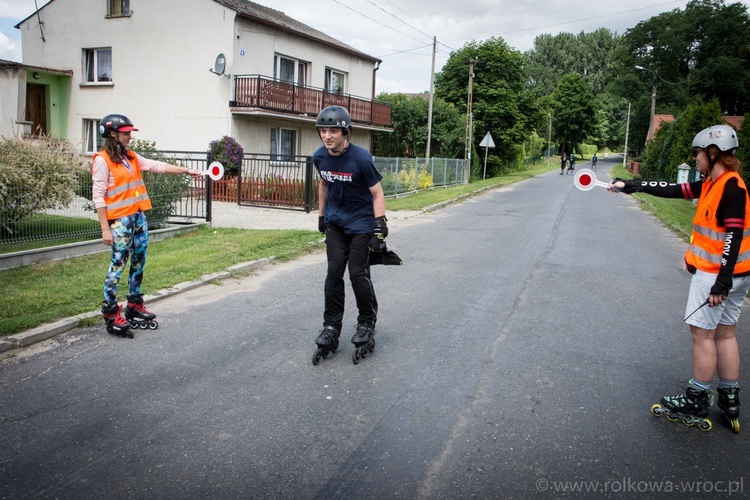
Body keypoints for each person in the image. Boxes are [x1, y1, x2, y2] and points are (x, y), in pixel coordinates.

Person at [610, 125, 746, 432]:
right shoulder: (715, 182)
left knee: (703, 335)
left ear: (713, 154)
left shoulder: (730, 188)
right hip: (734, 276)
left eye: (698, 153)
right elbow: (674, 189)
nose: (696, 159)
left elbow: (733, 236)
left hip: (717, 277)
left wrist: (721, 280)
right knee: (725, 335)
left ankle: (697, 398)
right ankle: (729, 398)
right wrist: (633, 185)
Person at [92, 114, 203, 337]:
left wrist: (187, 171)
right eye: (126, 133)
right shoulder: (102, 160)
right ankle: (111, 313)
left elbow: (156, 165)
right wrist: (105, 228)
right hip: (120, 222)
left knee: (139, 261)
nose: (130, 137)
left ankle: (134, 305)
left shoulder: (131, 157)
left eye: (130, 133)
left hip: (138, 218)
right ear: (112, 133)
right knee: (118, 265)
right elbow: (98, 196)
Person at [312, 106, 388, 363]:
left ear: (345, 131)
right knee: (334, 273)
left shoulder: (361, 158)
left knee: (357, 273)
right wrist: (321, 216)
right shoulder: (319, 157)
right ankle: (331, 327)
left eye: (333, 130)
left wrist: (379, 226)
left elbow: (377, 194)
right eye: (323, 130)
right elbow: (323, 186)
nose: (327, 135)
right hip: (336, 224)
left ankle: (366, 322)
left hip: (361, 225)